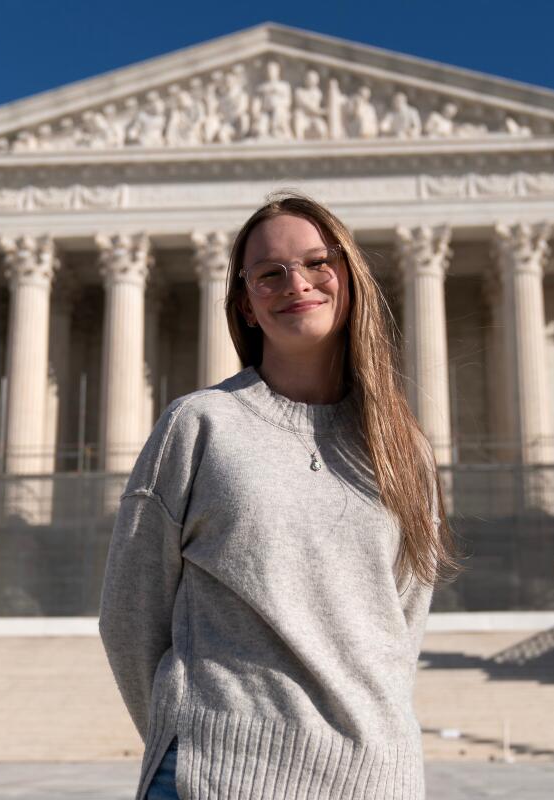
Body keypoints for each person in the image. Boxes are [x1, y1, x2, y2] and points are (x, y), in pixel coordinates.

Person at [99, 192, 456, 799]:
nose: (298, 282)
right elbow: (130, 618)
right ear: (245, 303)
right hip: (215, 777)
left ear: (350, 276)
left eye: (319, 262)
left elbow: (401, 629)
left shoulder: (404, 450)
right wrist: (199, 735)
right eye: (270, 272)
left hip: (371, 778)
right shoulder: (200, 424)